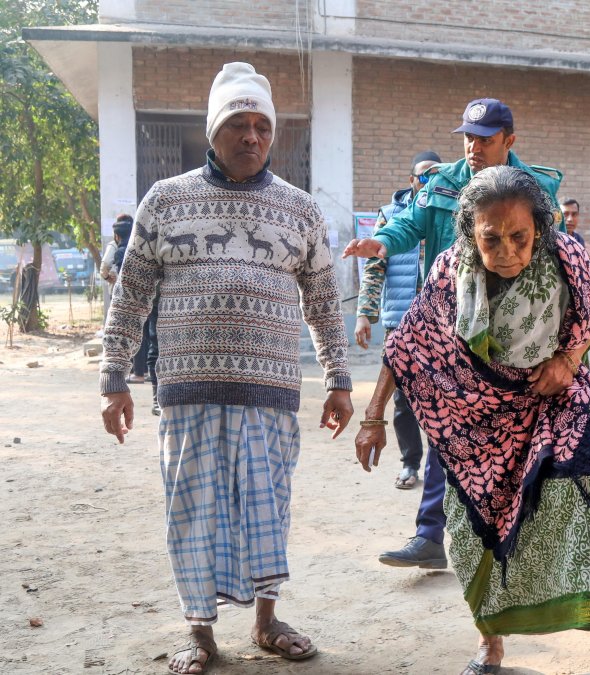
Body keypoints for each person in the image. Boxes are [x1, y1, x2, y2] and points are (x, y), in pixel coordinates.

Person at [98, 62, 352, 674]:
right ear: (213, 132)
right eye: (237, 123)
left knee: (268, 507)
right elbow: (130, 296)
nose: (252, 136)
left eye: (262, 125)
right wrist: (112, 379)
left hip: (270, 393)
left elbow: (322, 301)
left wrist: (340, 379)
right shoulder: (166, 201)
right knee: (191, 508)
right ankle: (200, 633)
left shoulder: (300, 211)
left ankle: (265, 622)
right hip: (187, 391)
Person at [354, 166, 590, 675]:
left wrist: (569, 360)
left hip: (557, 395)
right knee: (474, 529)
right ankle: (491, 643)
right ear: (470, 232)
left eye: (519, 237)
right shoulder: (449, 270)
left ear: (539, 228)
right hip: (478, 418)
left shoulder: (564, 253)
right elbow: (407, 343)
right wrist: (373, 416)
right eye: (491, 239)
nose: (507, 251)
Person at [342, 97, 563, 570]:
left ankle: (518, 540)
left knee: (519, 441)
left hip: (517, 338)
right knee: (446, 433)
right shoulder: (443, 182)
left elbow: (560, 268)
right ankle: (430, 535)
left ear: (509, 141)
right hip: (453, 328)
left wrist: (563, 353)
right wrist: (381, 241)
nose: (473, 147)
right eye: (467, 137)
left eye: (484, 140)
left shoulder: (537, 190)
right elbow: (408, 223)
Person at [355, 151, 440, 494]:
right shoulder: (391, 216)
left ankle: (443, 466)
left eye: (435, 177)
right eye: (423, 177)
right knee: (403, 398)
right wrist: (365, 313)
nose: (428, 183)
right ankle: (409, 463)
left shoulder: (447, 214)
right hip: (399, 320)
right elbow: (374, 268)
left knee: (440, 396)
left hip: (441, 324)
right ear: (411, 181)